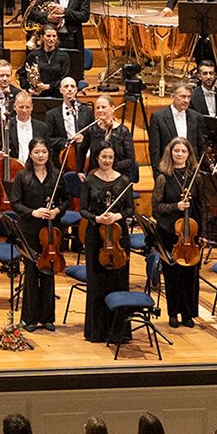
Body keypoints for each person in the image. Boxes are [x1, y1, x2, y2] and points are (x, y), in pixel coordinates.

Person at [8, 138, 65, 333]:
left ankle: (47, 318)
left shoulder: (57, 176)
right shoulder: (23, 176)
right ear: (30, 154)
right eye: (36, 152)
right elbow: (15, 203)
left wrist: (56, 211)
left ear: (48, 154)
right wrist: (33, 212)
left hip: (51, 232)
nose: (40, 155)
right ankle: (29, 319)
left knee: (49, 272)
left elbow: (66, 201)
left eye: (44, 152)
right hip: (30, 231)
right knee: (32, 273)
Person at [79, 143, 135, 343]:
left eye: (110, 157)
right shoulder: (90, 181)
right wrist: (97, 219)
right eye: (104, 156)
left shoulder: (124, 181)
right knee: (97, 283)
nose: (107, 160)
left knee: (119, 281)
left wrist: (118, 215)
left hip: (119, 237)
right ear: (97, 158)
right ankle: (97, 331)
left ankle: (119, 331)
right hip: (97, 236)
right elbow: (83, 209)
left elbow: (130, 210)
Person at [151, 137, 205, 328]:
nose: (180, 154)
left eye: (183, 151)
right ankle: (173, 313)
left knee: (191, 275)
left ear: (189, 154)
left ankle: (188, 314)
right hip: (168, 232)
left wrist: (203, 233)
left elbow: (201, 207)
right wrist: (177, 206)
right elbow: (156, 208)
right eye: (176, 151)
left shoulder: (195, 177)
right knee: (172, 274)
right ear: (170, 153)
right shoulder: (163, 177)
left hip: (191, 232)